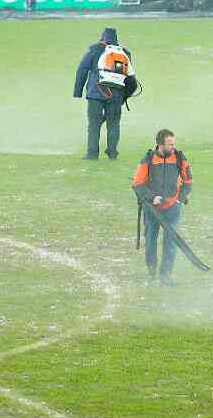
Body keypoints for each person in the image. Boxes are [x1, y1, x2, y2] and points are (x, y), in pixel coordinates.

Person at [132, 129, 193, 287]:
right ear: (160, 144)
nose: (173, 146)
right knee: (151, 241)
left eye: (173, 143)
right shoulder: (148, 159)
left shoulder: (180, 158)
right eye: (169, 144)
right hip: (152, 209)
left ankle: (165, 275)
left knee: (170, 242)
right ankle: (152, 275)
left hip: (173, 207)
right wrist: (152, 198)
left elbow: (188, 181)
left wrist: (179, 200)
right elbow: (137, 184)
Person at [73, 27, 138, 160]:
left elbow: (82, 70)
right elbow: (132, 81)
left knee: (94, 124)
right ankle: (112, 153)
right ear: (116, 40)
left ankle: (92, 153)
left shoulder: (95, 49)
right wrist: (123, 97)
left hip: (96, 93)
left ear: (102, 38)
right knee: (113, 124)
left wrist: (77, 92)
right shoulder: (124, 53)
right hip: (116, 96)